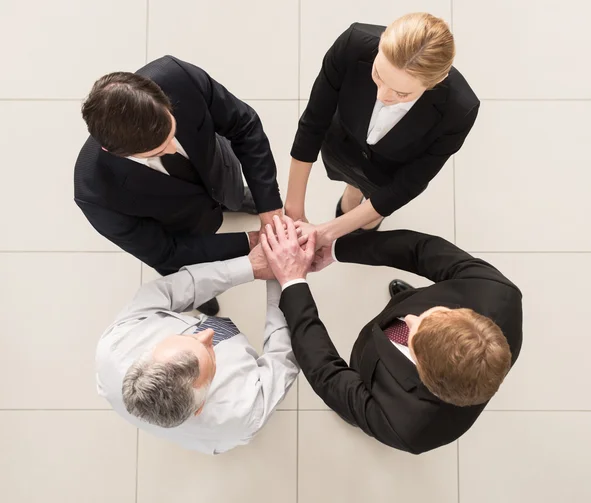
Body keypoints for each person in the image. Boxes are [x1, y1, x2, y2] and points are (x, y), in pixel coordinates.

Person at [261, 216, 522, 454]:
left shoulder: (405, 425)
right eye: (434, 312)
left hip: (371, 374)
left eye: (413, 335)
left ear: (424, 372)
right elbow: (419, 249)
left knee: (350, 400)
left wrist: (293, 282)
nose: (409, 317)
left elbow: (326, 372)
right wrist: (337, 249)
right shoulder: (499, 293)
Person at [74, 55, 283, 315]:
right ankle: (199, 289)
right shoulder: (94, 192)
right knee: (189, 274)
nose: (173, 148)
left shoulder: (176, 76)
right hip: (182, 225)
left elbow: (244, 126)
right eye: (158, 150)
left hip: (219, 172)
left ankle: (238, 199)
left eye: (172, 132)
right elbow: (165, 251)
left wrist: (270, 208)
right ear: (112, 151)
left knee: (235, 194)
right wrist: (250, 242)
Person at [285, 14, 479, 245]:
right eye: (378, 75)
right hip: (345, 141)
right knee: (351, 179)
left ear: (436, 82)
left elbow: (409, 183)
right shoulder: (352, 44)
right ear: (380, 44)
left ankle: (360, 213)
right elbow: (314, 121)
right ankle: (353, 189)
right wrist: (293, 209)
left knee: (367, 220)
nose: (382, 96)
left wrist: (326, 233)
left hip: (391, 169)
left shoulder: (459, 110)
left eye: (401, 94)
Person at [96, 242, 299, 455]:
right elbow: (281, 353)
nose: (207, 332)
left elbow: (168, 291)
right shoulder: (243, 413)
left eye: (185, 337)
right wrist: (284, 280)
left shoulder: (117, 341)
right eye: (209, 354)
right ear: (200, 407)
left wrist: (250, 266)